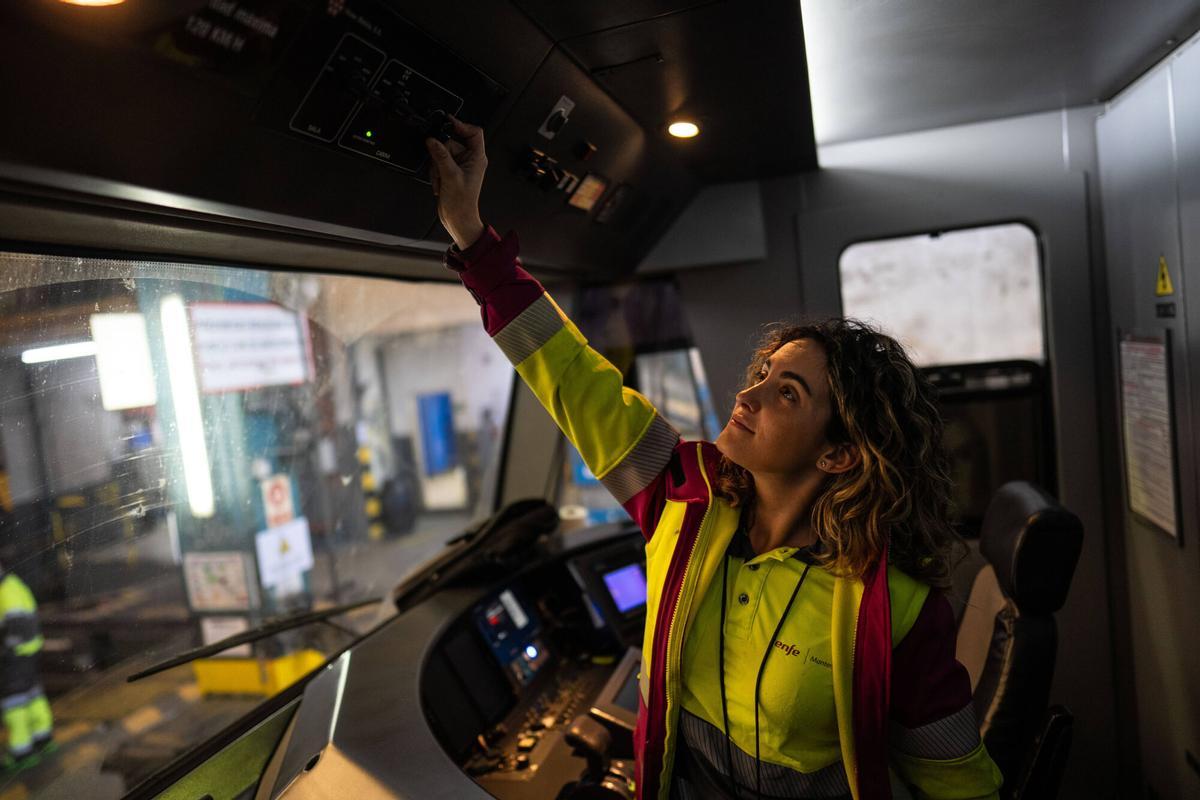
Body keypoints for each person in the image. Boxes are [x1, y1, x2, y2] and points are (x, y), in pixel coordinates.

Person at [425, 120, 1003, 800]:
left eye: (786, 392)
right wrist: (472, 235)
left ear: (843, 453)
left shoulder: (896, 609)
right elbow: (573, 377)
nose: (749, 393)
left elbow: (958, 783)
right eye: (761, 373)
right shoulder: (682, 493)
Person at [0, 562, 52, 771]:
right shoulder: (14, 584)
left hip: (16, 654)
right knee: (32, 694)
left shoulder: (4, 591)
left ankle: (22, 752)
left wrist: (6, 650)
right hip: (30, 650)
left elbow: (16, 626)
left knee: (13, 700)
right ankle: (43, 738)